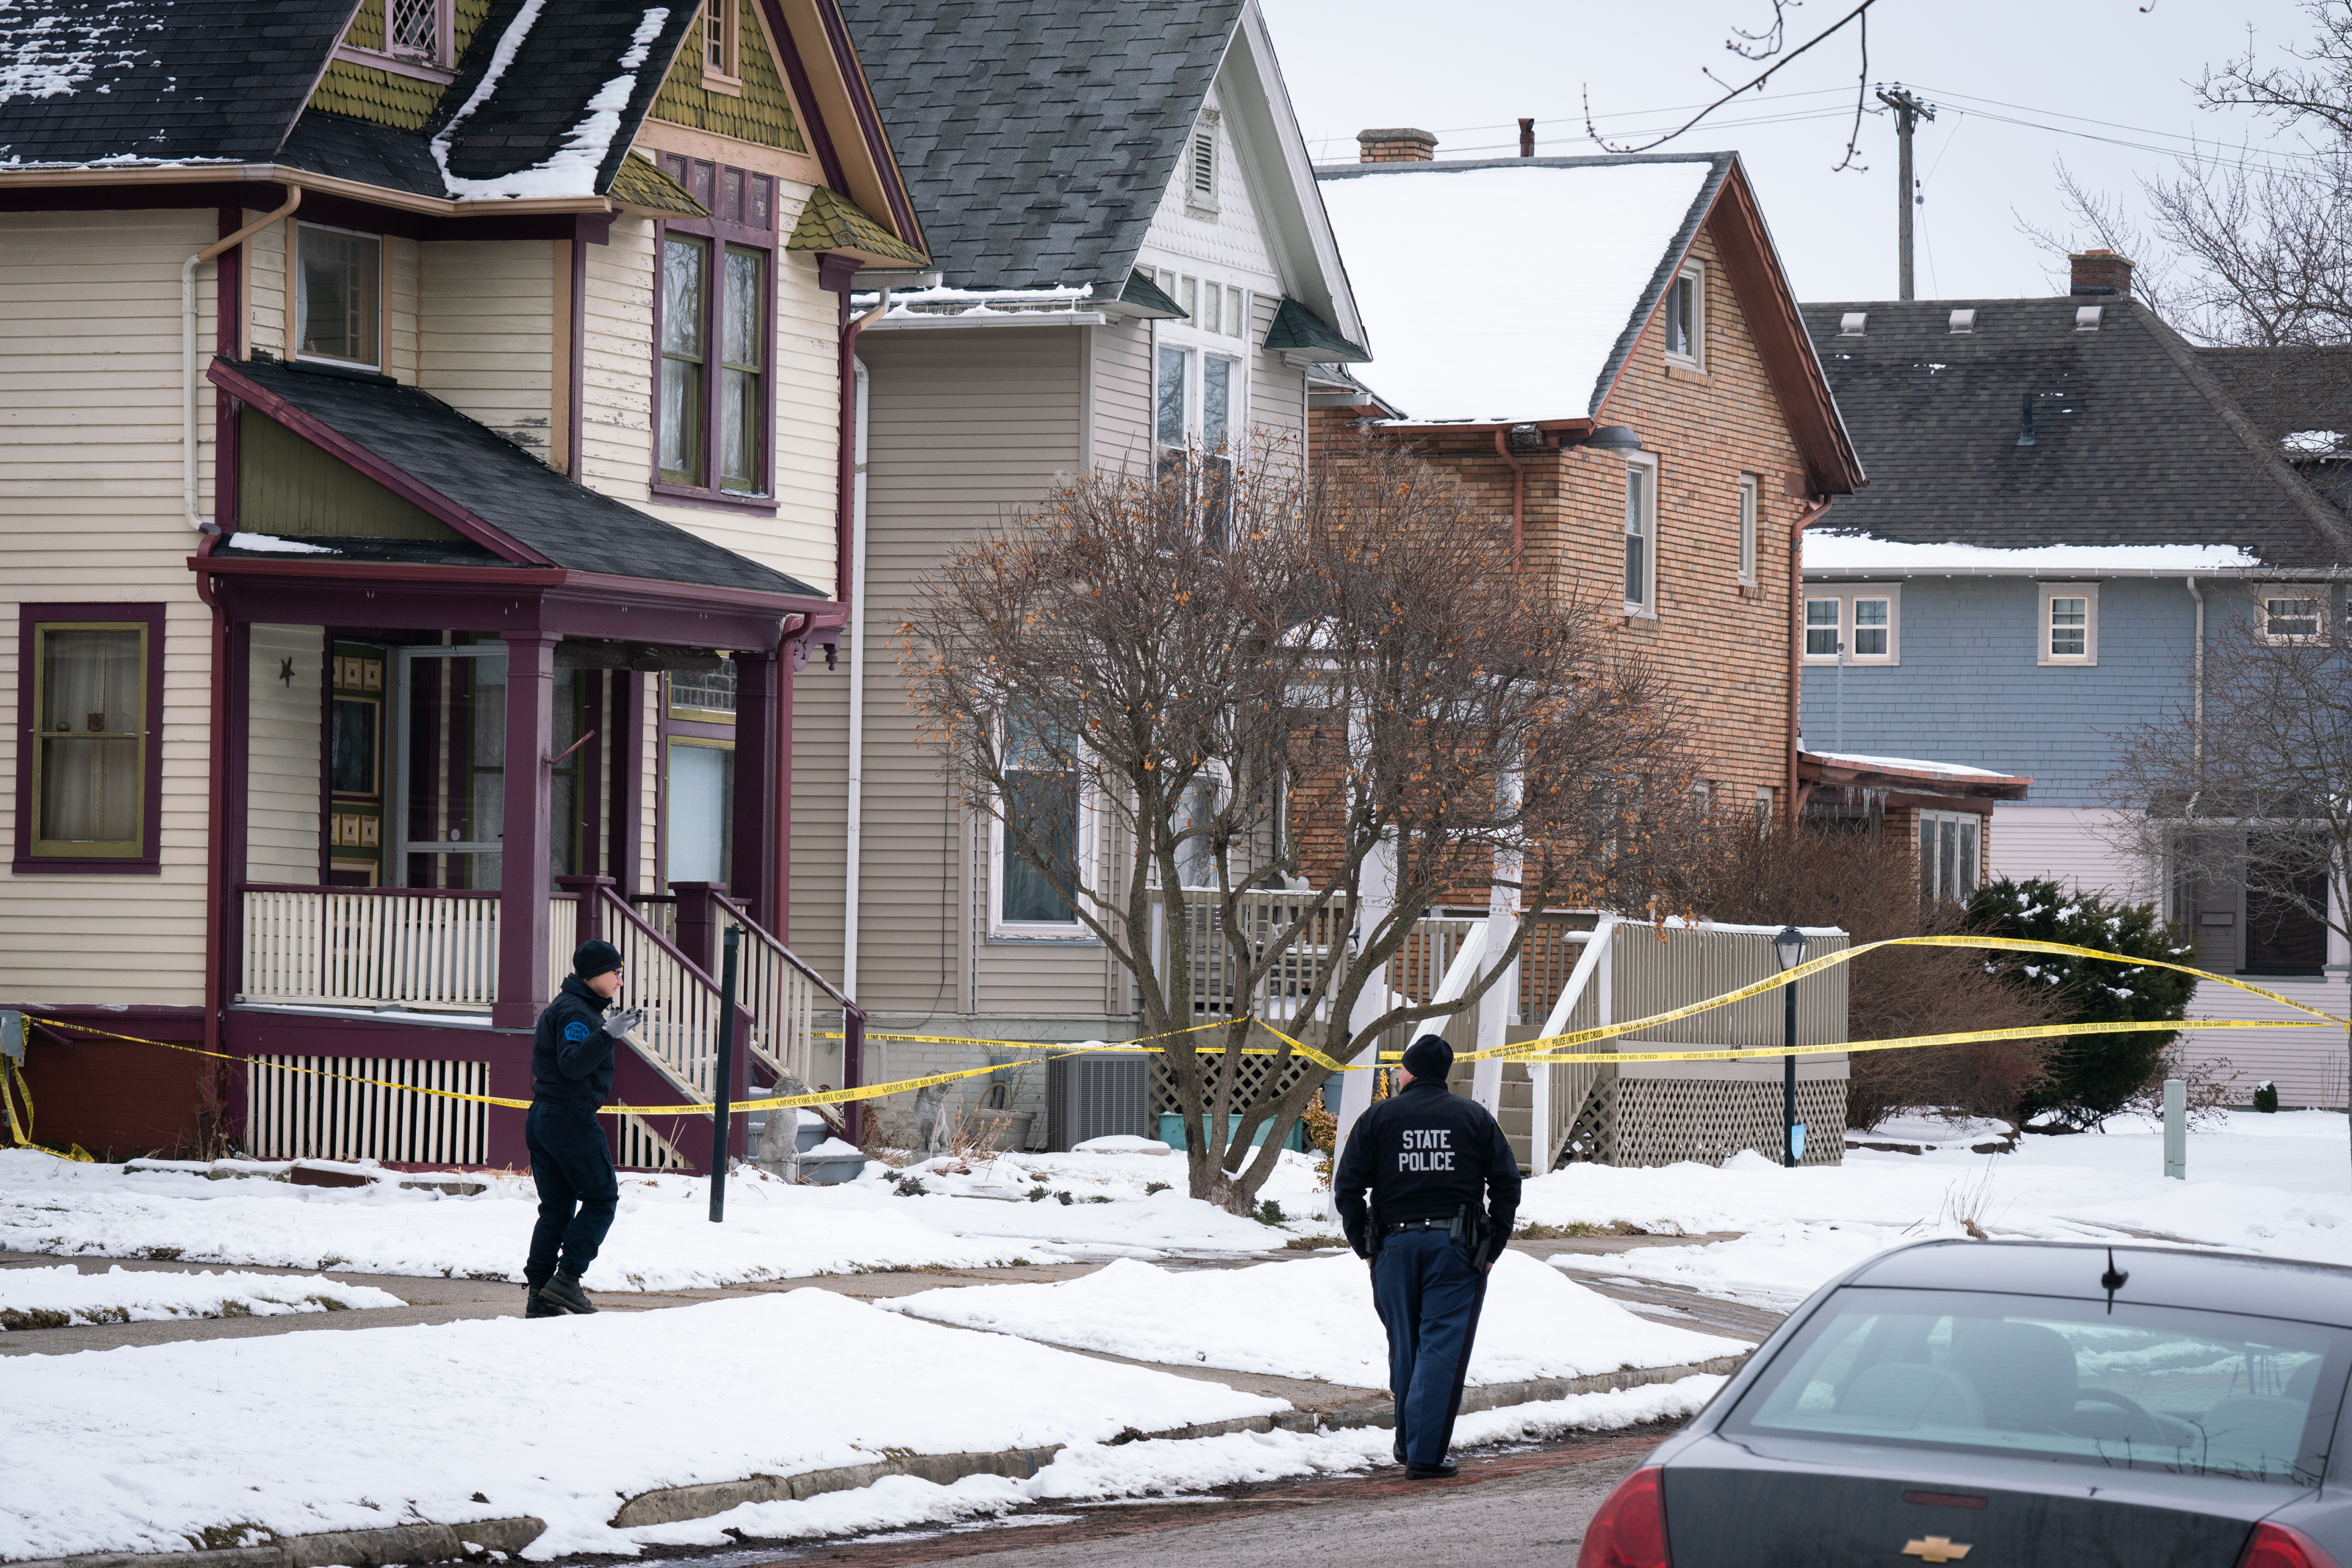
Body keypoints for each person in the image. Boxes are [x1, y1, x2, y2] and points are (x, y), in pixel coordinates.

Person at [1333, 1032, 1521, 1479]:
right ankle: (1425, 1455)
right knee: (1441, 1348)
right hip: (1456, 1249)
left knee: (1406, 1345)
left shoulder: (1378, 1117)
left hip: (1394, 1248)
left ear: (1410, 1072)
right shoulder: (1474, 1117)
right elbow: (1507, 1184)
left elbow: (1348, 1189)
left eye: (1401, 1068)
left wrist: (1367, 1248)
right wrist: (1492, 1246)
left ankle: (1408, 1440)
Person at [523, 939, 642, 1317]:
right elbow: (573, 1064)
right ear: (593, 975)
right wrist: (607, 1034)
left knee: (556, 1209)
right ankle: (567, 1280)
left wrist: (605, 1029)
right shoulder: (576, 1013)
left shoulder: (575, 1008)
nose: (620, 981)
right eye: (617, 974)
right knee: (601, 1198)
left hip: (544, 1117)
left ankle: (540, 1296)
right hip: (569, 1118)